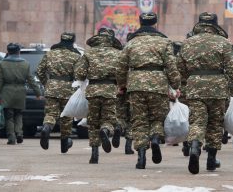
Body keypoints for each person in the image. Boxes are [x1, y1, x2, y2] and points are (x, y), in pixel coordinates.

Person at [177, 12, 233, 174]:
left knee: (197, 122)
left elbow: (179, 67)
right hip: (217, 88)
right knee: (215, 124)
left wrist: (184, 85)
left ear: (199, 24)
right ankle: (211, 160)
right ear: (215, 24)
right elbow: (232, 68)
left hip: (195, 88)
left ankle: (194, 147)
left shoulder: (187, 43)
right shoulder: (223, 42)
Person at [117, 12, 181, 169]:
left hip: (136, 85)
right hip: (158, 85)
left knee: (139, 121)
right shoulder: (164, 42)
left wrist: (122, 84)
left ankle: (141, 156)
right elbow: (171, 66)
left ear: (140, 23)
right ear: (155, 23)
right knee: (157, 119)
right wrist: (176, 85)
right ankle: (155, 138)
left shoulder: (131, 43)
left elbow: (121, 66)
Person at [75, 28, 122, 164]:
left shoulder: (89, 54)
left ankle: (94, 153)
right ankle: (106, 130)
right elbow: (123, 72)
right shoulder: (117, 53)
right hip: (110, 90)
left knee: (93, 122)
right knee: (108, 118)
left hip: (93, 90)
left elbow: (80, 74)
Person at [37, 32, 81, 153]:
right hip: (68, 89)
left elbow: (40, 70)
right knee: (66, 116)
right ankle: (64, 144)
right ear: (72, 41)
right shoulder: (75, 56)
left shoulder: (50, 54)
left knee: (51, 113)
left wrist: (47, 83)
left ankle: (46, 127)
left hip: (52, 87)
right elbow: (79, 74)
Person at [0, 43, 41, 144]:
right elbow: (31, 80)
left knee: (9, 116)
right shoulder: (25, 64)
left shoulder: (2, 64)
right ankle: (19, 133)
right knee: (18, 114)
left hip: (7, 92)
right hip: (20, 92)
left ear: (8, 52)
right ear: (18, 51)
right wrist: (38, 93)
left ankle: (11, 137)